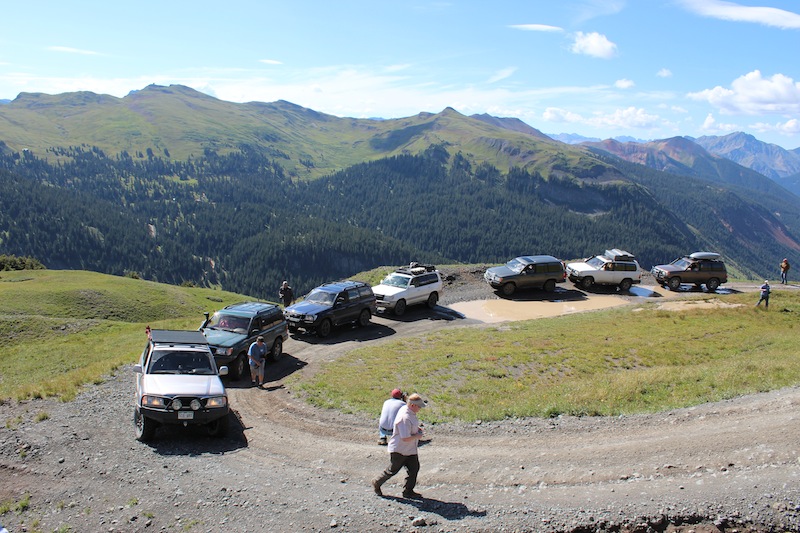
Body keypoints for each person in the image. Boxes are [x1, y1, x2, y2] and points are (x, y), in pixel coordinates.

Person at [372, 393, 427, 499]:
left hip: (409, 449)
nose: (420, 408)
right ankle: (377, 482)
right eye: (419, 406)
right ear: (412, 405)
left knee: (414, 468)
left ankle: (408, 491)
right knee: (393, 470)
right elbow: (405, 438)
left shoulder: (408, 411)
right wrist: (417, 436)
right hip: (399, 450)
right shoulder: (404, 417)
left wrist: (416, 430)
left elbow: (410, 429)